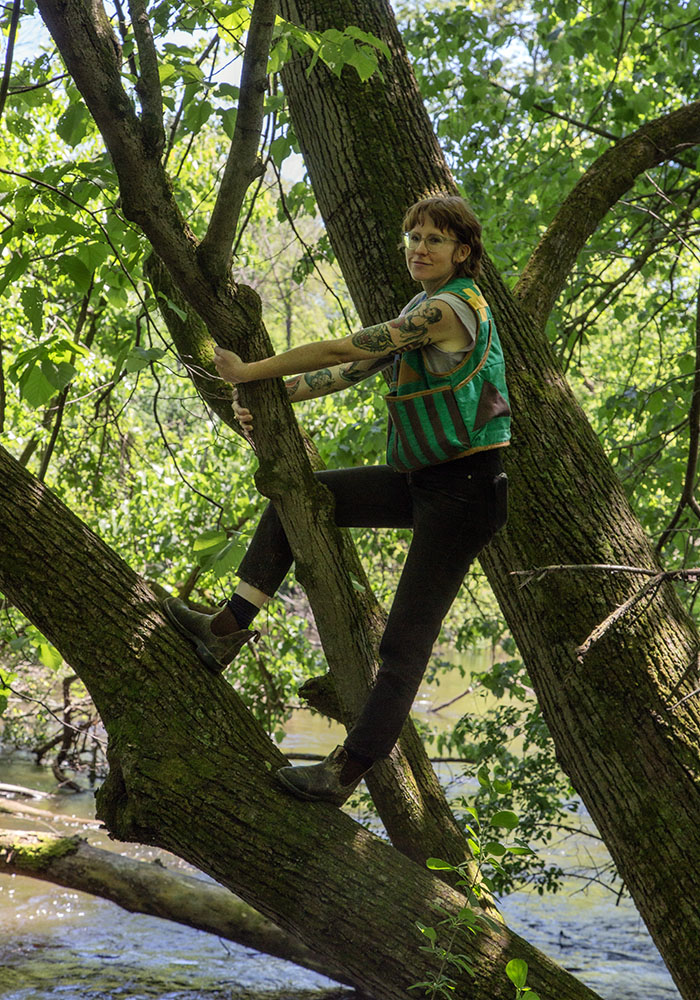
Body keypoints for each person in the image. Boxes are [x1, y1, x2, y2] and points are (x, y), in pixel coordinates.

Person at [163, 195, 511, 806]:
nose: (419, 248)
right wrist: (276, 397)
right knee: (306, 499)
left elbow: (344, 348)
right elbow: (353, 370)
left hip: (467, 492)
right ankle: (225, 628)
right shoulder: (418, 309)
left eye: (434, 239)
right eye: (413, 237)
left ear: (463, 252)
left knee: (405, 640)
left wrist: (251, 372)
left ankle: (346, 773)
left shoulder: (446, 310)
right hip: (423, 480)